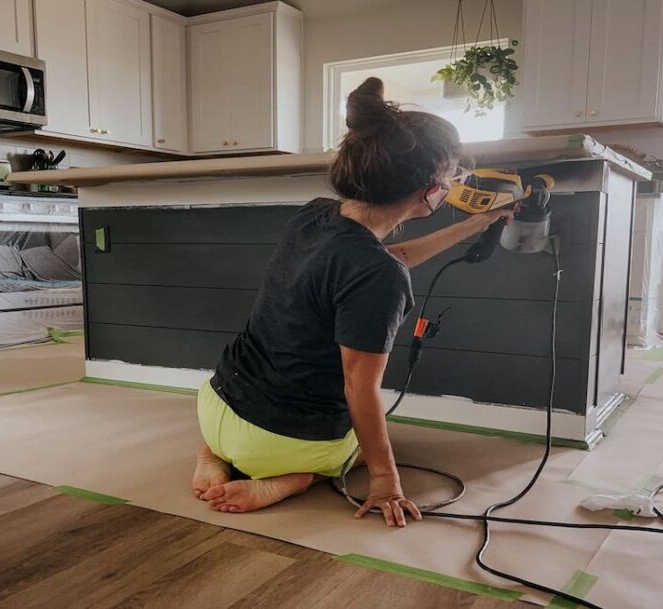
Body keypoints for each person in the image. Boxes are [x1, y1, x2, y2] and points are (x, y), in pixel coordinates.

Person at [191, 77, 514, 527]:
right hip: (277, 440)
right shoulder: (376, 273)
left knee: (265, 414)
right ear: (431, 189)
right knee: (363, 448)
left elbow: (380, 263)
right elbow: (358, 388)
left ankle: (213, 454)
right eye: (453, 175)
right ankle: (295, 478)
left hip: (216, 402)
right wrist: (386, 479)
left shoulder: (316, 214)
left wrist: (474, 226)